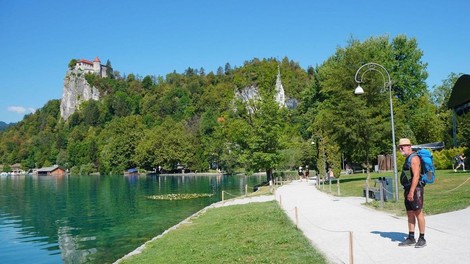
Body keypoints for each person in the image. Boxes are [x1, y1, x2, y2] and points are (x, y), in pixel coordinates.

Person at [398, 138, 426, 248]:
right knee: (410, 213)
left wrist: (411, 191)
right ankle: (411, 237)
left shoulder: (414, 158)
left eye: (403, 146)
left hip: (415, 190)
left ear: (409, 146)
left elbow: (416, 176)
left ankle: (422, 238)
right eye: (400, 147)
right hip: (408, 189)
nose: (401, 148)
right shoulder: (408, 158)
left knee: (418, 212)